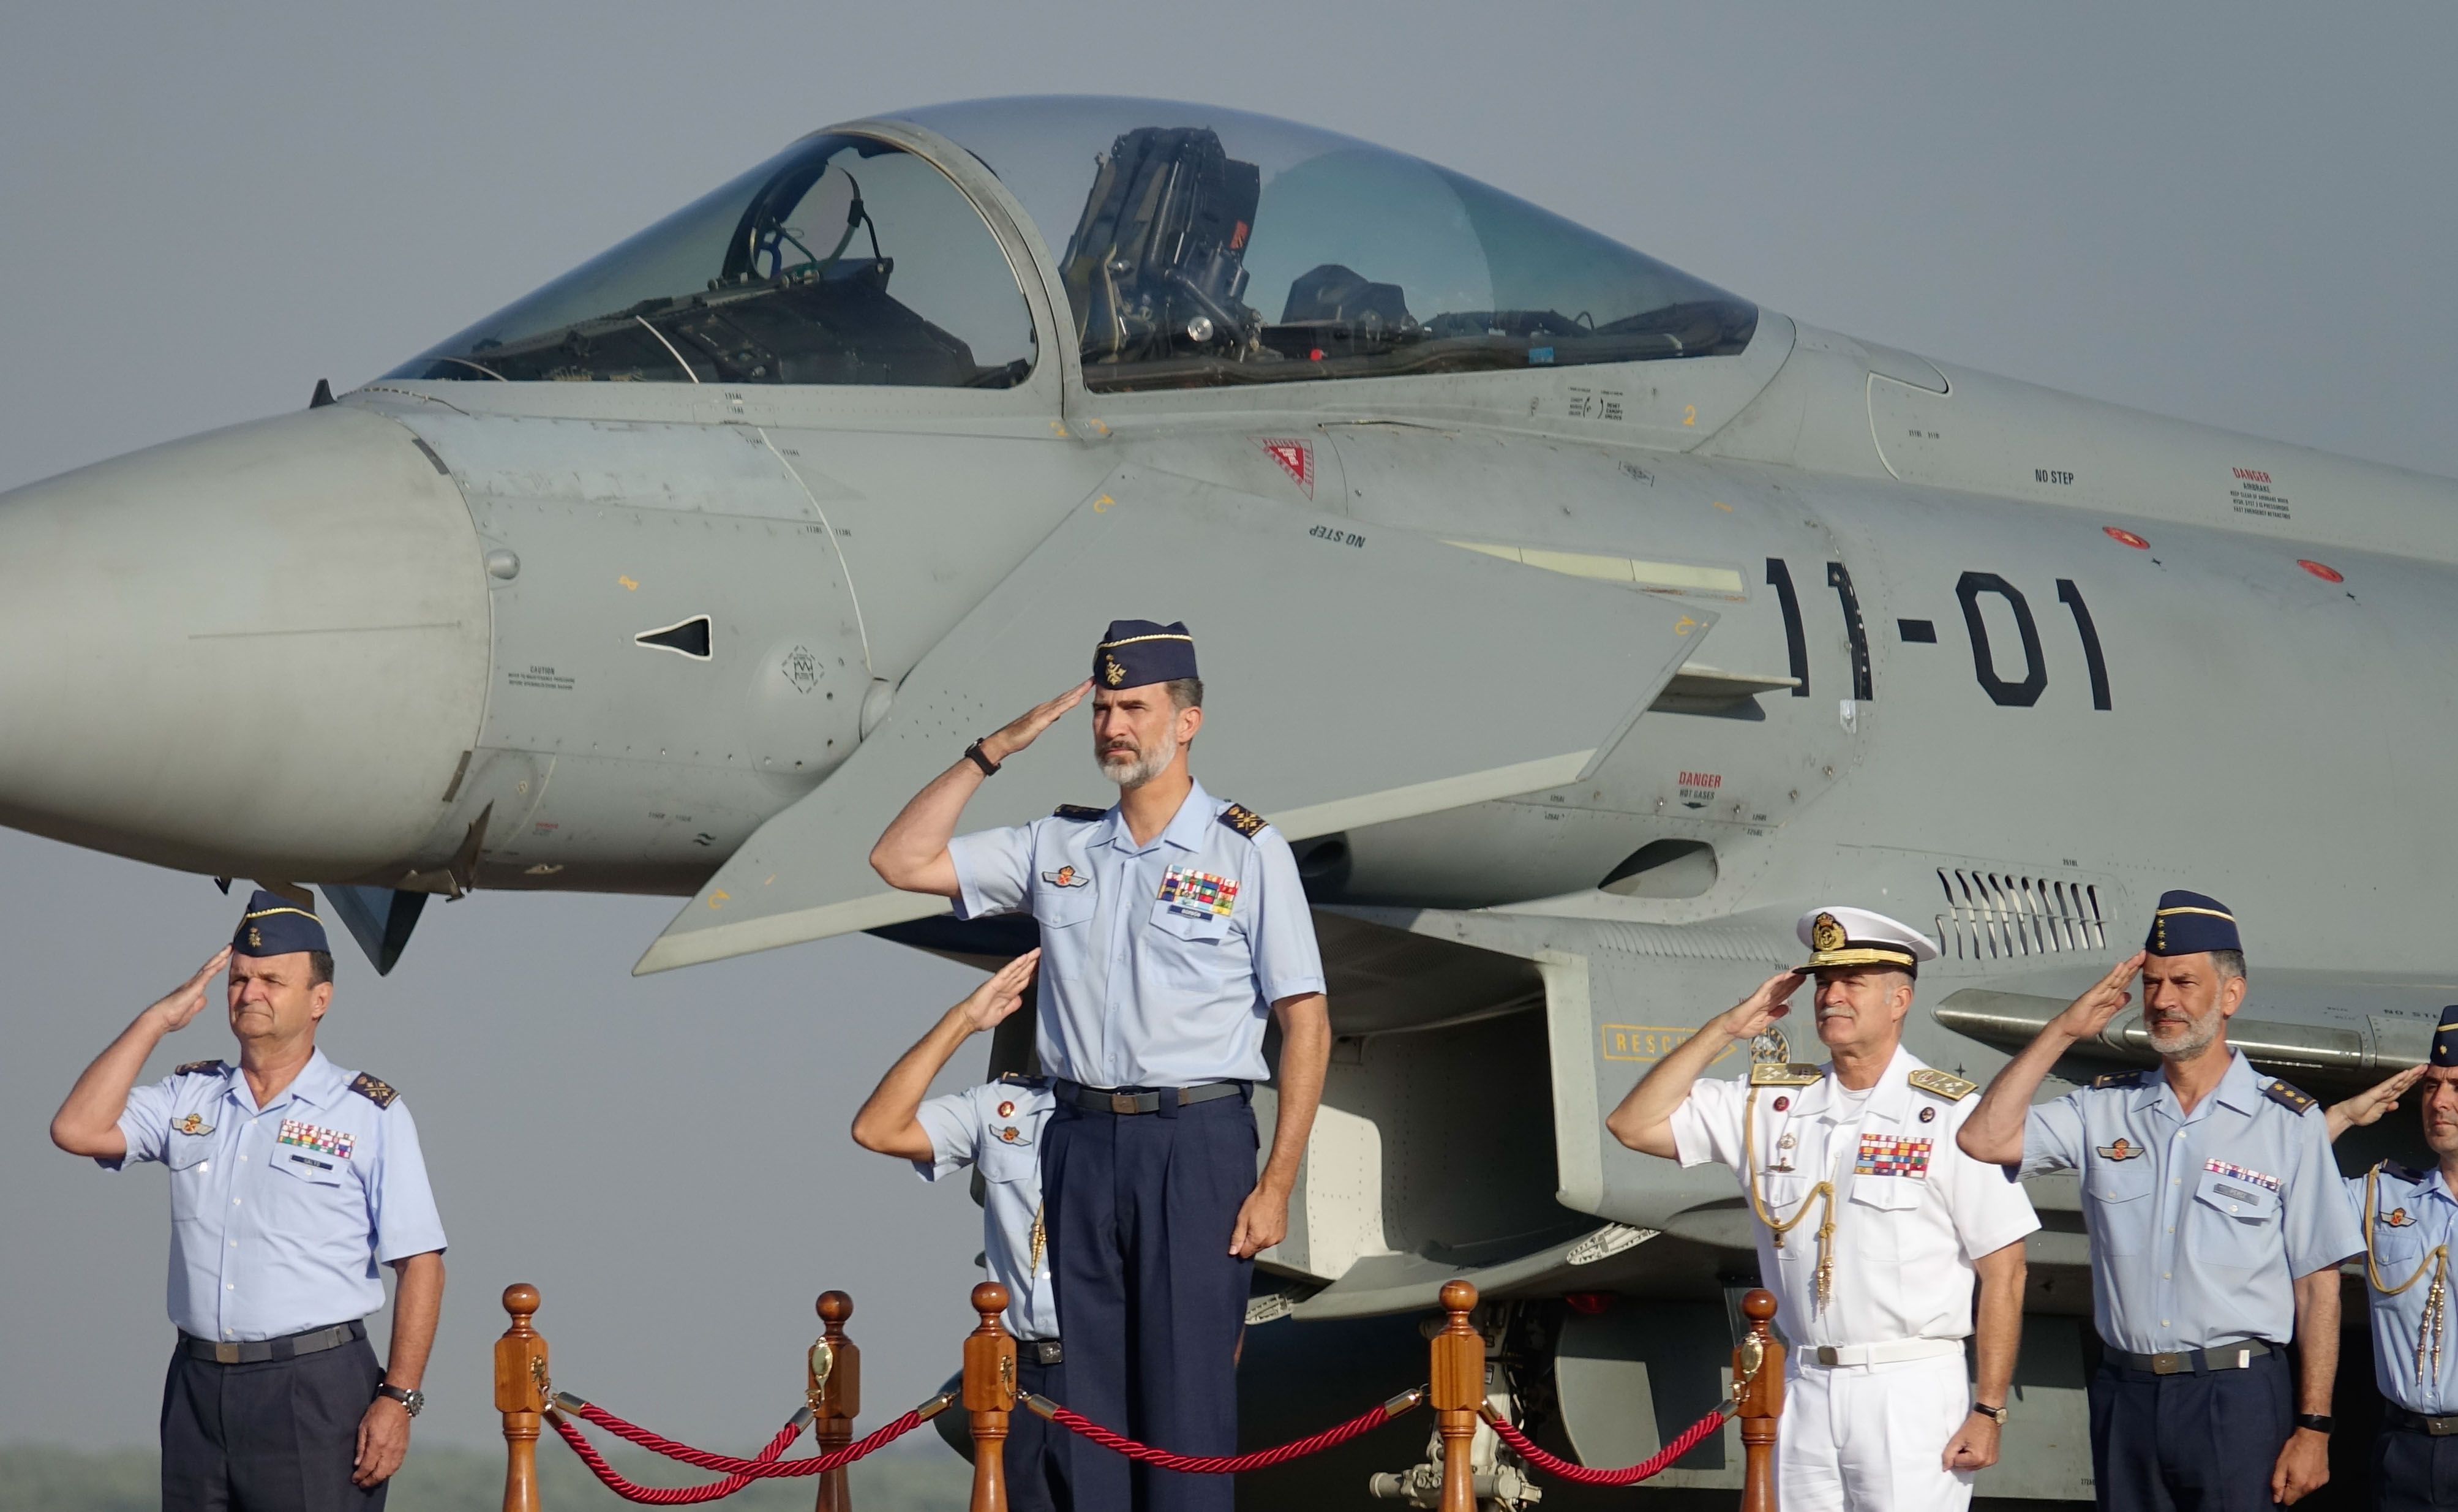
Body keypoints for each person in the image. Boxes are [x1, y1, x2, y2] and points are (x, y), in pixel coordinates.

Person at [870, 619, 1331, 1512]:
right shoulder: (1059, 846)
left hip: (1193, 1142)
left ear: (1187, 720)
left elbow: (1304, 1020)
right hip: (1077, 1142)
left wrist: (1277, 1180)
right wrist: (991, 750)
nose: (1114, 726)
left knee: (1185, 1409)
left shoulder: (1245, 851)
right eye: (1104, 708)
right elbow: (901, 859)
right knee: (1088, 1410)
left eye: (1136, 707)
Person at [1606, 907, 2037, 1512]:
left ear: (1899, 1000)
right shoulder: (1773, 1104)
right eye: (1824, 983)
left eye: (1852, 983)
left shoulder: (1951, 1116)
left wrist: (1989, 1407)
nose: (1831, 996)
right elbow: (1633, 1124)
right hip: (1806, 1385)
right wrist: (1726, 1030)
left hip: (1908, 1387)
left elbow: (2005, 1269)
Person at [1957, 890, 2362, 1510]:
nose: (2164, 1001)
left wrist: (2314, 1426)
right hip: (2128, 1394)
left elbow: (2319, 1286)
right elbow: (1983, 1139)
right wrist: (2064, 1029)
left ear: (2231, 996)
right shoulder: (2104, 1109)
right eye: (2152, 983)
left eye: (2183, 983)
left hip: (2237, 1397)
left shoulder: (2288, 1122)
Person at [48, 891, 446, 1512]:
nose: (249, 992)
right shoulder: (191, 1096)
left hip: (314, 1387)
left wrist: (399, 1399)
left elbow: (420, 1262)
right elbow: (76, 1128)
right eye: (240, 978)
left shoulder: (367, 1113)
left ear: (320, 999)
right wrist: (156, 1021)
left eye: (270, 980)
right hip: (198, 1385)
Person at [850, 949, 1072, 1512]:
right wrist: (965, 1021)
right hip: (1019, 1373)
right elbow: (878, 1128)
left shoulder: (1153, 1118)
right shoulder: (1006, 1107)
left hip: (1109, 1368)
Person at [2318, 1009, 2458, 1511]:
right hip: (2404, 1450)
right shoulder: (2383, 1196)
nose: (2440, 1101)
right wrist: (2341, 1118)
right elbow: (2275, 1191)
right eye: (2432, 1086)